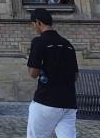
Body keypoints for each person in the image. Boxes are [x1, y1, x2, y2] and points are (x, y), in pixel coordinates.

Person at [26, 8, 79, 138]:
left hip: (46, 100)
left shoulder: (39, 42)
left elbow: (33, 73)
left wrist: (31, 61)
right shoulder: (68, 44)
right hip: (68, 102)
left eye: (33, 24)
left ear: (38, 22)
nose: (34, 28)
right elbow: (75, 76)